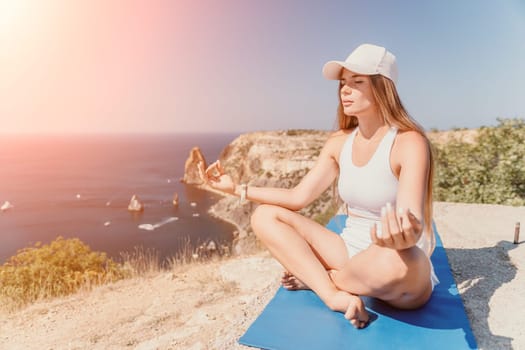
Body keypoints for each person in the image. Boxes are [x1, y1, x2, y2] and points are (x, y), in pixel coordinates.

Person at [199, 43, 439, 329]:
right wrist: (235, 188)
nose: (344, 90)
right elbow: (298, 197)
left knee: (401, 260)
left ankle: (319, 278)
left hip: (393, 258)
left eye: (357, 82)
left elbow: (411, 216)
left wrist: (406, 232)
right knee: (264, 215)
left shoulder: (409, 142)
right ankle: (332, 295)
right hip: (348, 249)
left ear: (382, 88)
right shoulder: (339, 142)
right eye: (343, 84)